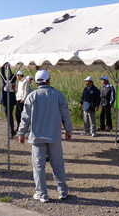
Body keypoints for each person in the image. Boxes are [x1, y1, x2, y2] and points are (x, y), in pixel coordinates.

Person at [18, 70, 73, 203]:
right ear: (48, 80)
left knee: (39, 166)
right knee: (58, 163)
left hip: (37, 137)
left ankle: (42, 193)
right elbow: (65, 114)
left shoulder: (31, 96)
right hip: (54, 136)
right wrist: (68, 129)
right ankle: (62, 190)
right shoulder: (58, 95)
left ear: (36, 82)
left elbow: (25, 117)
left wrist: (21, 133)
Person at [0, 64, 17, 138]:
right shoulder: (13, 83)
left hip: (7, 102)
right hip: (12, 101)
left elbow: (2, 75)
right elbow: (10, 75)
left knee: (8, 116)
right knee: (10, 116)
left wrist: (2, 68)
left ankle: (11, 131)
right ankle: (11, 130)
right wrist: (8, 67)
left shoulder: (7, 83)